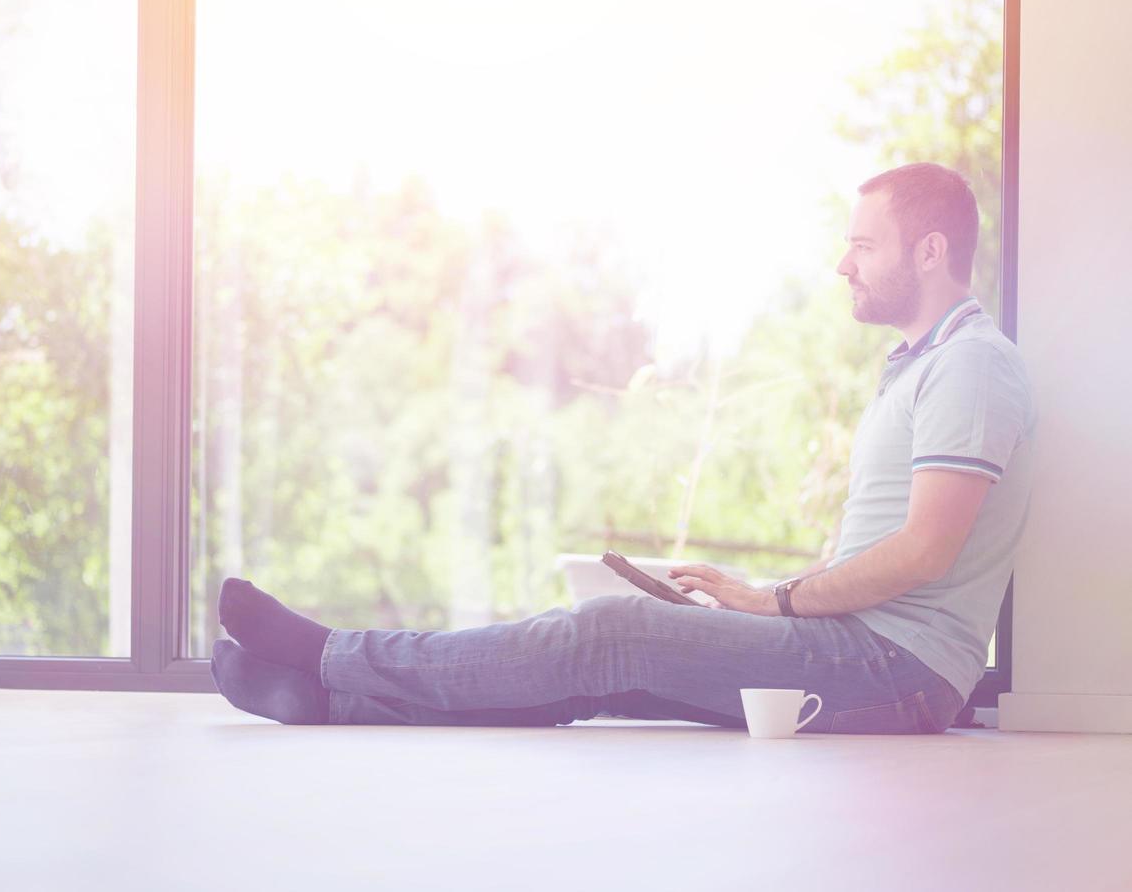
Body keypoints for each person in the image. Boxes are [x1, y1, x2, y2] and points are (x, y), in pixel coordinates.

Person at [209, 161, 1036, 733]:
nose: (840, 263)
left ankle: (329, 656)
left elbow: (926, 551)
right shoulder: (921, 368)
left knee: (613, 633)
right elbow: (887, 545)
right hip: (864, 651)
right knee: (611, 667)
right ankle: (332, 705)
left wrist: (774, 602)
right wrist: (754, 604)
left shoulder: (970, 368)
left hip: (893, 672)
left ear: (930, 251)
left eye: (862, 245)